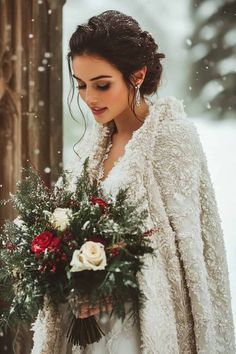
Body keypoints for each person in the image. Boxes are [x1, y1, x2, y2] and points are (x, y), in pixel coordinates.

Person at [31, 10, 236, 354]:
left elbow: (185, 256)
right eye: (80, 85)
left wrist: (113, 285)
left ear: (137, 75)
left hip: (145, 331)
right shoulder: (89, 150)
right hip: (87, 333)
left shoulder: (173, 139)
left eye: (102, 84)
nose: (89, 98)